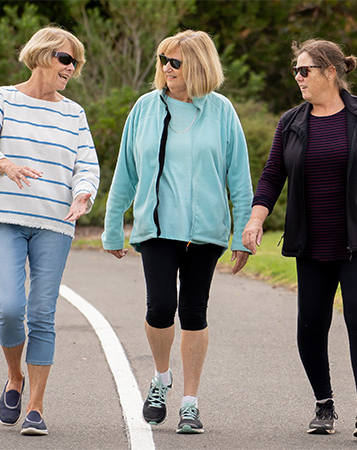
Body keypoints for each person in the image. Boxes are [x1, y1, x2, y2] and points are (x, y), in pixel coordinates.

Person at [241, 39, 357, 438]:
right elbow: (273, 175)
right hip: (312, 241)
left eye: (304, 70)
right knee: (311, 325)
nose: (297, 77)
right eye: (295, 70)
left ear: (330, 72)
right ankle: (324, 404)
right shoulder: (291, 121)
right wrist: (256, 219)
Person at [102, 29, 253, 435]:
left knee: (193, 312)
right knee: (159, 307)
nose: (166, 68)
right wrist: (113, 225)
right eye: (163, 60)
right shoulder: (145, 108)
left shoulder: (222, 112)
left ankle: (189, 402)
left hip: (206, 231)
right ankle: (160, 378)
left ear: (199, 65)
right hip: (156, 228)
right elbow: (126, 173)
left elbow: (239, 177)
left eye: (175, 62)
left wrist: (243, 235)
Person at [0, 26, 100, 436]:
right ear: (42, 56)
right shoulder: (3, 97)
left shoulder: (74, 113)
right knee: (11, 309)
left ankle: (36, 407)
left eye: (75, 62)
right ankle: (14, 377)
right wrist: (4, 165)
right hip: (5, 216)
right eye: (66, 59)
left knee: (43, 314)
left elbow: (87, 164)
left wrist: (83, 195)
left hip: (55, 224)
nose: (71, 68)